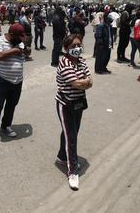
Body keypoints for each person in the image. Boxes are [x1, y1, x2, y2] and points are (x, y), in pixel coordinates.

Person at [55, 34, 92, 191]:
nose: (77, 49)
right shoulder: (64, 62)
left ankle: (62, 157)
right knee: (71, 137)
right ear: (66, 49)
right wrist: (83, 82)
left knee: (71, 132)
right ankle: (72, 172)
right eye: (73, 47)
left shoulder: (81, 61)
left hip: (78, 103)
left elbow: (90, 80)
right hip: (65, 104)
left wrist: (83, 82)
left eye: (79, 45)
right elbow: (77, 83)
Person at [0, 23, 31, 146]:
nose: (21, 39)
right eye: (19, 36)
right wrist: (15, 50)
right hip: (2, 79)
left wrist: (26, 50)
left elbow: (27, 53)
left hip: (17, 80)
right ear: (11, 35)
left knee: (11, 105)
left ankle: (6, 126)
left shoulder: (19, 42)